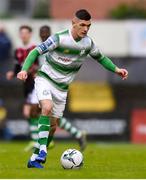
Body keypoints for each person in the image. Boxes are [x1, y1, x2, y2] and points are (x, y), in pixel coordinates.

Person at [17, 9, 128, 169]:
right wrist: (24, 70)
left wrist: (116, 69)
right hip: (45, 79)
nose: (85, 29)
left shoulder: (88, 43)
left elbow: (101, 58)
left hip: (62, 89)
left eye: (88, 26)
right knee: (46, 108)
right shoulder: (59, 38)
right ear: (73, 23)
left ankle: (34, 158)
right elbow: (35, 51)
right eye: (82, 25)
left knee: (53, 126)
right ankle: (42, 151)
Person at [6, 25, 39, 149]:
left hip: (36, 84)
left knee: (30, 111)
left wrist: (34, 70)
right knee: (30, 113)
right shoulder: (17, 51)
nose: (24, 35)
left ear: (30, 34)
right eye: (22, 33)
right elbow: (17, 68)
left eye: (26, 33)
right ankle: (37, 140)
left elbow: (39, 65)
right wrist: (12, 73)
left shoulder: (35, 48)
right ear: (20, 35)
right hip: (26, 85)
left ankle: (37, 141)